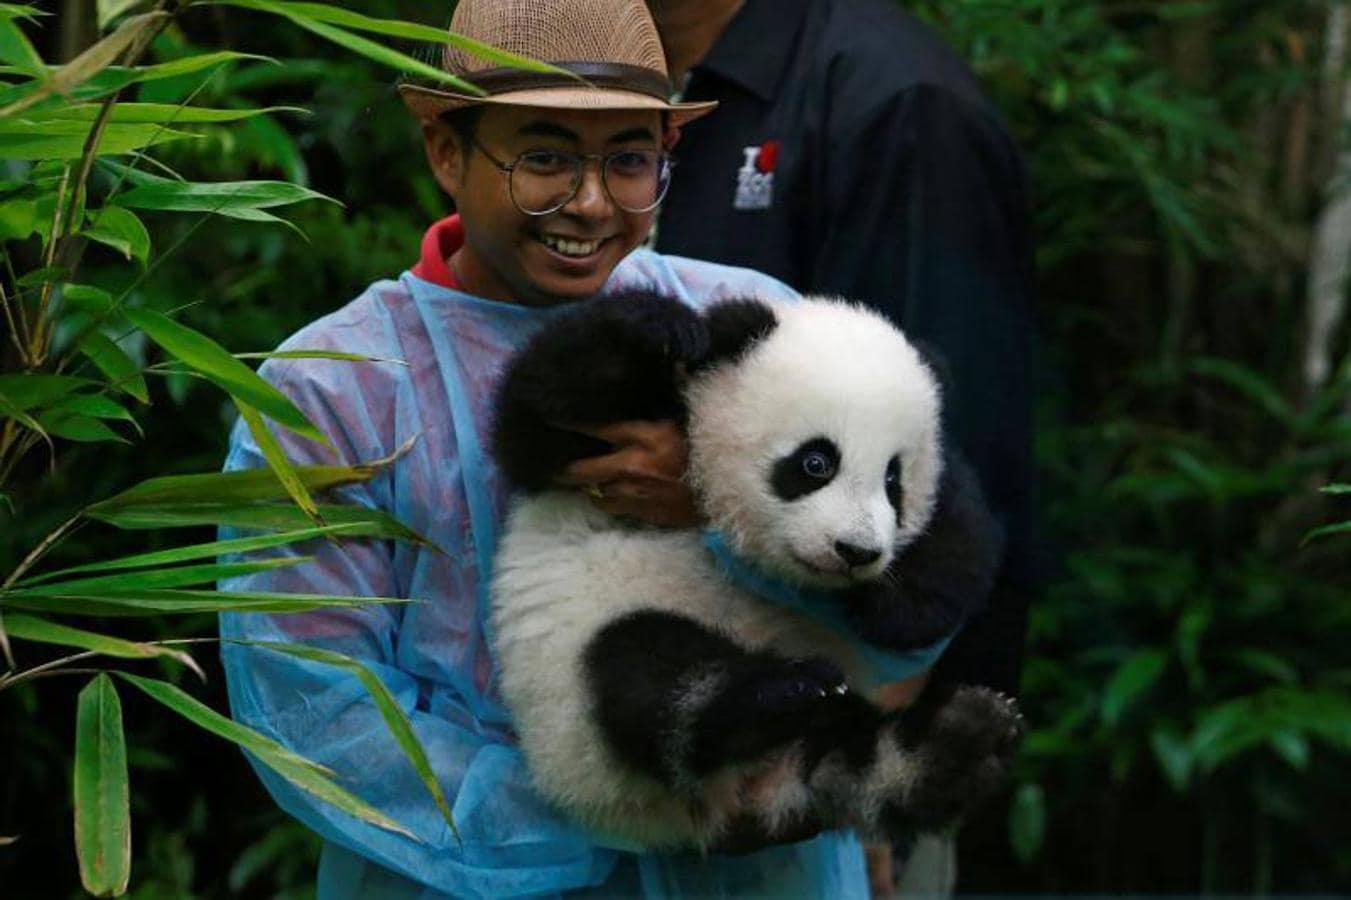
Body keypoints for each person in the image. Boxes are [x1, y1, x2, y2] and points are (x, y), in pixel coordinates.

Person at [219, 0, 876, 896]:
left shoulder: (759, 330)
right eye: (544, 157)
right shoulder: (335, 388)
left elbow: (899, 596)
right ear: (447, 152)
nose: (592, 202)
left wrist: (720, 513)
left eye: (629, 160)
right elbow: (317, 710)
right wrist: (625, 818)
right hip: (458, 876)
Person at [646, 0, 1038, 893]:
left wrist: (868, 751)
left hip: (857, 731)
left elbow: (954, 444)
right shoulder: (652, 85)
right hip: (703, 708)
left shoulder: (895, 98)